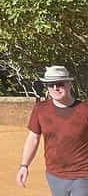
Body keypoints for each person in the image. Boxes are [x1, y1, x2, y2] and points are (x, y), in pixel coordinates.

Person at [18, 65, 88, 193]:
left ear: (69, 84)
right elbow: (33, 138)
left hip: (82, 175)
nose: (55, 88)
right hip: (54, 174)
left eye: (60, 83)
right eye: (51, 85)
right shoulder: (40, 109)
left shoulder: (84, 110)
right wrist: (24, 166)